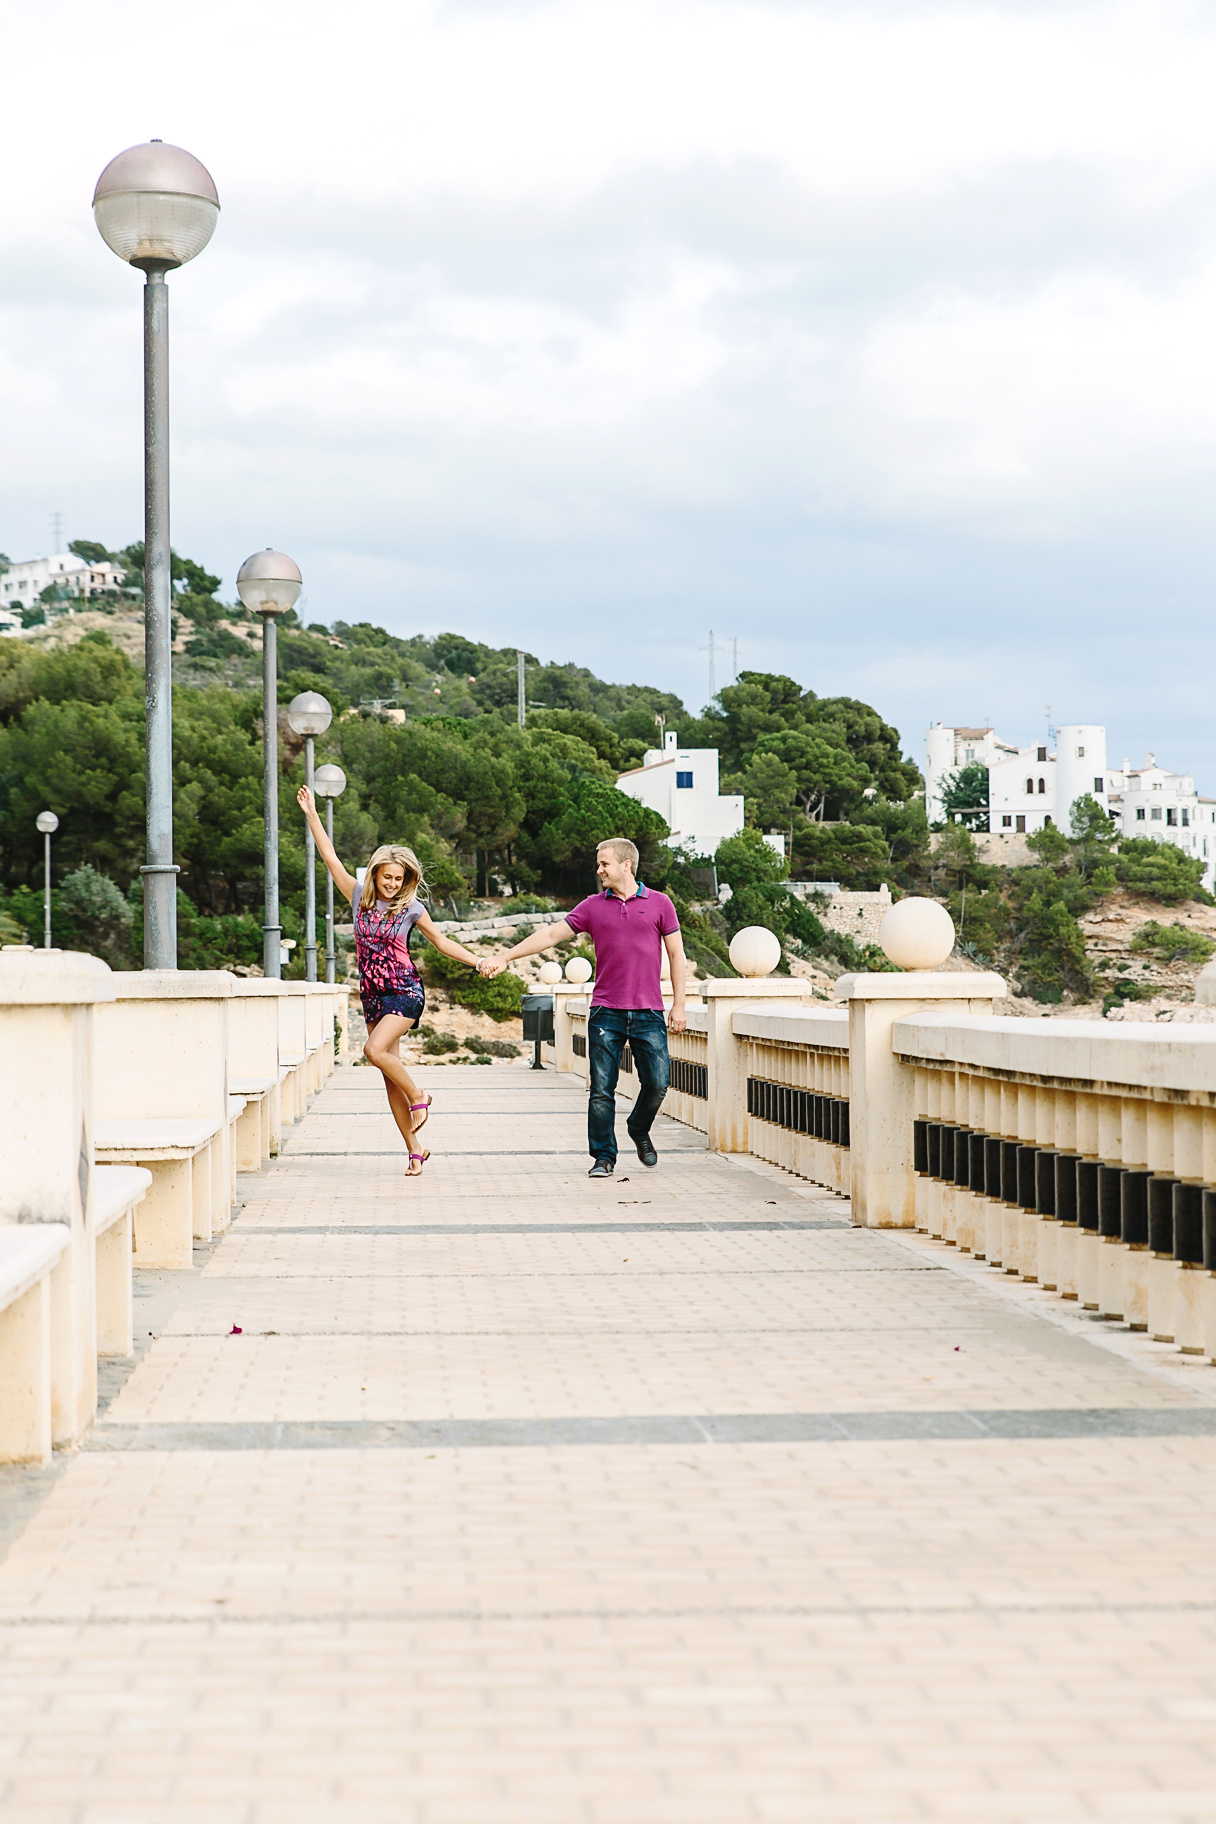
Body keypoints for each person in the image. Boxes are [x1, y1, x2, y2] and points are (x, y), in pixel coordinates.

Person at [297, 786, 487, 1177]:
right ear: (376, 874)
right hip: (372, 994)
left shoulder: (411, 908)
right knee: (388, 1077)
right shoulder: (356, 896)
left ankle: (420, 1094)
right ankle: (415, 1149)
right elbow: (330, 857)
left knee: (372, 1049)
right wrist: (312, 814)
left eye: (399, 879)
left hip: (404, 991)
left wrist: (478, 960)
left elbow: (441, 941)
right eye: (387, 877)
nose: (393, 885)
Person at [487, 837, 686, 1177]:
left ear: (626, 865)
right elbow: (551, 935)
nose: (599, 870)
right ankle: (603, 1157)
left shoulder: (660, 904)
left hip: (649, 1011)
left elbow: (676, 955)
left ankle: (638, 1128)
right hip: (606, 1012)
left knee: (658, 1083)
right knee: (601, 1090)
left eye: (604, 863)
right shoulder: (593, 906)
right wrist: (505, 955)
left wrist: (680, 1004)